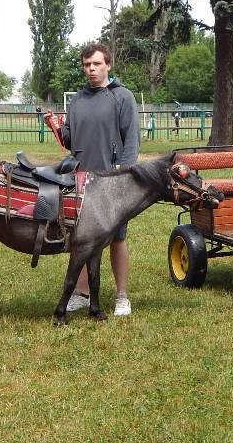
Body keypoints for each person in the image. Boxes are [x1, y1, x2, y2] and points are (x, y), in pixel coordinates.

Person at [48, 43, 140, 316]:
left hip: (111, 182)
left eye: (96, 64)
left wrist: (125, 177)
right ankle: (82, 293)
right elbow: (70, 141)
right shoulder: (77, 100)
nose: (91, 69)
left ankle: (121, 296)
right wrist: (56, 127)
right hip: (79, 180)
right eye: (87, 65)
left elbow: (131, 141)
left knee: (116, 238)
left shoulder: (122, 97)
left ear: (108, 65)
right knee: (82, 239)